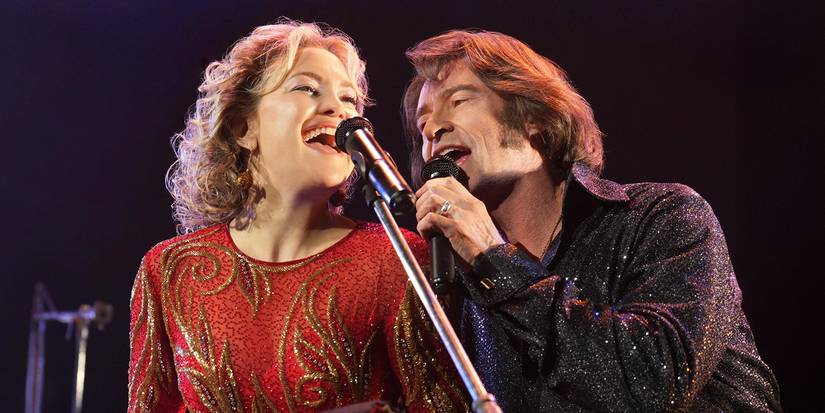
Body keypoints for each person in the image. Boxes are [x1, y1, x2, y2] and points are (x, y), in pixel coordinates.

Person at [404, 29, 782, 412]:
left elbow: (653, 383)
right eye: (423, 126)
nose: (434, 130)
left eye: (460, 101)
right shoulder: (462, 288)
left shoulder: (661, 216)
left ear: (533, 117)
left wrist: (496, 260)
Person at [127, 21, 468, 413]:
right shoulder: (170, 270)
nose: (338, 110)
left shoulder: (399, 259)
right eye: (306, 88)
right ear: (243, 127)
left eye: (349, 100)